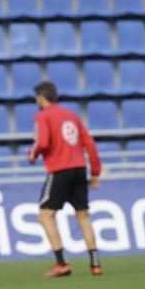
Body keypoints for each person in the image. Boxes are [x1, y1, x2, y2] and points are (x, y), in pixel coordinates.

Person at [28, 81, 103, 278]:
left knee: (45, 216)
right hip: (79, 168)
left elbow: (42, 142)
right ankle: (95, 264)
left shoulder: (42, 116)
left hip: (60, 169)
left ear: (41, 97)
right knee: (83, 216)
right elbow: (89, 144)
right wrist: (95, 172)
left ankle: (62, 263)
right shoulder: (72, 115)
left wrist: (32, 155)